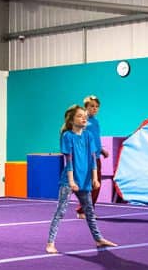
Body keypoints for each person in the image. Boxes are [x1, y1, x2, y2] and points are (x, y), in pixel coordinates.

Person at [46, 105, 118, 254]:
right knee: (61, 211)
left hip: (85, 180)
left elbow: (93, 159)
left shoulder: (88, 136)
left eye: (85, 116)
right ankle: (50, 243)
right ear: (72, 120)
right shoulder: (67, 136)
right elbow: (69, 160)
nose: (84, 118)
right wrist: (72, 181)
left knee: (89, 212)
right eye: (80, 116)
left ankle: (98, 239)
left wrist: (95, 178)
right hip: (69, 180)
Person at [76, 95, 110, 218]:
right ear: (86, 107)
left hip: (96, 157)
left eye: (96, 107)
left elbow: (95, 139)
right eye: (91, 106)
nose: (94, 109)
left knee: (96, 184)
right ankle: (83, 211)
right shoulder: (82, 121)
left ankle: (87, 210)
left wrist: (101, 150)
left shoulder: (95, 121)